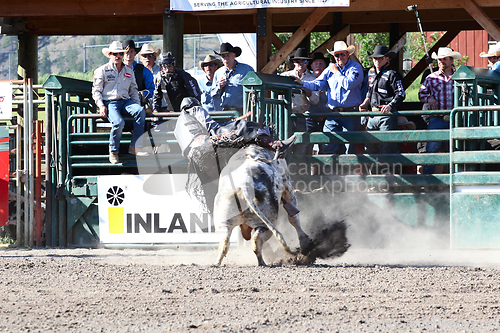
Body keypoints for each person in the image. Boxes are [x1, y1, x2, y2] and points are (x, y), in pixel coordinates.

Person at [294, 41, 364, 155]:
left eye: (342, 54)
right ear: (334, 57)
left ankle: (348, 172)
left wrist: (336, 72)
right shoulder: (331, 69)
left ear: (347, 54)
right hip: (332, 114)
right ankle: (329, 172)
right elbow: (316, 84)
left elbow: (348, 84)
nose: (339, 57)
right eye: (337, 55)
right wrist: (301, 83)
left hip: (350, 114)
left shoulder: (355, 68)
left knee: (349, 147)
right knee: (328, 145)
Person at [92, 41, 147, 164]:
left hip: (125, 101)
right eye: (115, 53)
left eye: (120, 53)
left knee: (140, 111)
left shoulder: (128, 70)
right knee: (118, 122)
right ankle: (113, 151)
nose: (118, 56)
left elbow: (133, 90)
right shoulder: (102, 70)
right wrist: (101, 105)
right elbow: (96, 91)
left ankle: (135, 146)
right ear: (110, 55)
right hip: (109, 102)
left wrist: (136, 104)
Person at [418, 47, 461, 174]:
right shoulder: (431, 77)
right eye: (440, 59)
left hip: (455, 120)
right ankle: (429, 182)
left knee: (454, 151)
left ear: (451, 60)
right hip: (437, 118)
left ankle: (452, 180)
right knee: (432, 151)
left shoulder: (459, 77)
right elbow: (421, 94)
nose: (442, 62)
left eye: (444, 59)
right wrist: (429, 98)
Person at [359, 45, 405, 156]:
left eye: (380, 58)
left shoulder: (392, 73)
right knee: (369, 147)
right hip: (372, 114)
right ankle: (373, 173)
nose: (377, 61)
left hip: (386, 115)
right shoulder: (370, 72)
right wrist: (365, 103)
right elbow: (370, 91)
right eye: (375, 58)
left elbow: (401, 93)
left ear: (387, 59)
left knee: (387, 147)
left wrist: (390, 105)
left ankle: (389, 173)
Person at [280, 48, 315, 155]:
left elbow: (315, 100)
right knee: (282, 145)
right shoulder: (284, 76)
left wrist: (304, 87)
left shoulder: (312, 79)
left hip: (302, 117)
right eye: (298, 61)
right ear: (293, 62)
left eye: (304, 61)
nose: (301, 63)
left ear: (307, 62)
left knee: (301, 147)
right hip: (285, 116)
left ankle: (298, 169)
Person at [211, 42, 254, 113]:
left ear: (234, 55)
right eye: (223, 56)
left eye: (227, 55)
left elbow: (254, 91)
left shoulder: (247, 70)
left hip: (242, 112)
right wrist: (219, 87)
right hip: (225, 113)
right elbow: (213, 95)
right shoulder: (218, 73)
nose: (225, 58)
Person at [305, 52, 330, 154]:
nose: (318, 66)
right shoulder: (307, 79)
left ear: (325, 66)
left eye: (321, 63)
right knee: (306, 146)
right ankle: (304, 169)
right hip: (309, 118)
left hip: (326, 119)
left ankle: (323, 170)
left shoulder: (330, 80)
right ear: (311, 66)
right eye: (316, 63)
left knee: (326, 146)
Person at [122, 39, 154, 108]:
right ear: (123, 53)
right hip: (121, 103)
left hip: (140, 105)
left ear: (135, 53)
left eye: (131, 51)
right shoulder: (117, 70)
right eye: (127, 52)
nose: (129, 54)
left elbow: (152, 90)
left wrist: (141, 94)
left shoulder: (144, 70)